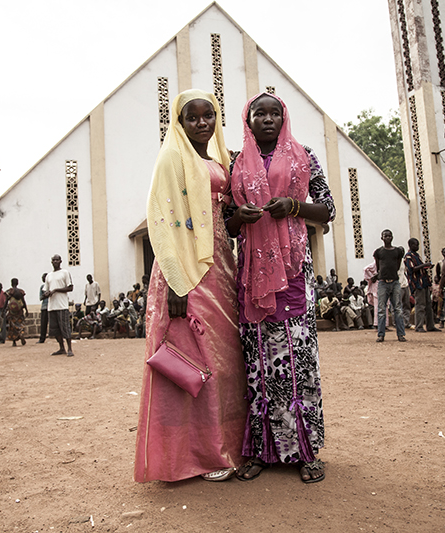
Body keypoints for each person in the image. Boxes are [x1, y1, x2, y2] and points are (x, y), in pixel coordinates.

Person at [134, 89, 246, 484]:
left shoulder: (218, 159)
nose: (202, 123)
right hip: (186, 273)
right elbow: (160, 221)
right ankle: (197, 455)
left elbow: (223, 214)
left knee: (226, 360)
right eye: (192, 117)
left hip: (219, 265)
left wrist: (240, 218)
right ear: (179, 123)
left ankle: (229, 446)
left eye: (208, 116)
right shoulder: (171, 158)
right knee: (195, 362)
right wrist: (177, 285)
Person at [226, 92, 334, 483]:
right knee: (257, 363)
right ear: (248, 119)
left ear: (284, 117)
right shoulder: (236, 163)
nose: (268, 119)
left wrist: (293, 206)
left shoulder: (303, 155)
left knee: (296, 356)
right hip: (252, 273)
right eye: (260, 113)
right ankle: (261, 451)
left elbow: (328, 209)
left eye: (275, 113)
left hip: (292, 271)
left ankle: (306, 452)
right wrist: (239, 216)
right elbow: (227, 224)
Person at [373, 229, 406, 342]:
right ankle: (381, 334)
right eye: (385, 236)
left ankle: (400, 334)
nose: (387, 238)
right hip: (383, 282)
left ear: (392, 237)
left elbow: (397, 265)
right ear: (382, 238)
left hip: (395, 282)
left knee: (397, 308)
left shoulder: (397, 251)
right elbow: (378, 266)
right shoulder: (378, 252)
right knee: (382, 309)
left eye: (389, 236)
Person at [404, 238, 439, 333]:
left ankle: (430, 325)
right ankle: (419, 326)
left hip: (424, 282)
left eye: (418, 245)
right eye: (415, 245)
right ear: (410, 245)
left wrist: (427, 266)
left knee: (428, 305)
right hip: (417, 284)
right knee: (420, 305)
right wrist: (424, 265)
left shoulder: (416, 256)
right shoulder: (408, 257)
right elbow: (412, 269)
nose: (417, 247)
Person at [43, 254, 74, 356]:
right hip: (52, 307)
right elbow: (45, 290)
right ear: (51, 262)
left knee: (65, 328)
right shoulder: (49, 276)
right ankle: (61, 348)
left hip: (62, 306)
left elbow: (70, 288)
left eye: (57, 260)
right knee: (55, 330)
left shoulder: (64, 273)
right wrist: (46, 294)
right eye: (53, 260)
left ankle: (69, 348)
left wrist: (56, 290)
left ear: (61, 261)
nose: (55, 262)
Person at [4, 278, 28, 347]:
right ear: (17, 283)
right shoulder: (21, 292)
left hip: (12, 313)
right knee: (20, 324)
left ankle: (14, 342)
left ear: (11, 283)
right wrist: (26, 310)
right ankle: (21, 334)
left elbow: (6, 302)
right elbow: (23, 301)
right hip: (19, 312)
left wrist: (3, 310)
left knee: (12, 326)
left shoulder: (9, 291)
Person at [38, 273, 49, 343]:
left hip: (52, 306)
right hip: (44, 306)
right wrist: (46, 295)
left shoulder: (52, 286)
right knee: (43, 323)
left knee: (56, 323)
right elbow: (41, 297)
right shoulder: (42, 287)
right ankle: (42, 338)